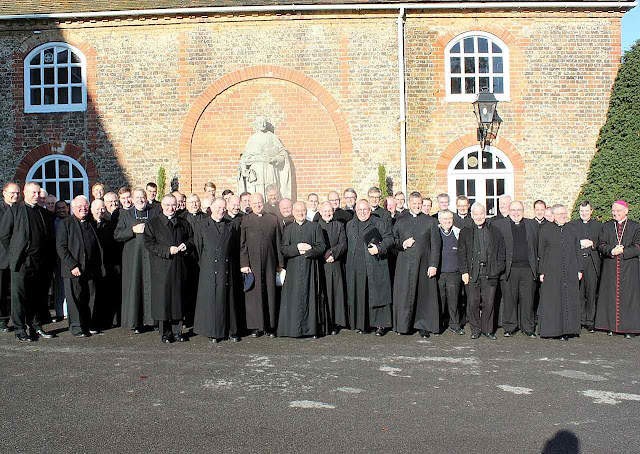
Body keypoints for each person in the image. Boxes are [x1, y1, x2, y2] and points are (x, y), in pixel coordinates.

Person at [0, 182, 56, 341]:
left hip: (40, 262)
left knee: (38, 296)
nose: (36, 195)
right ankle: (19, 329)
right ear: (25, 192)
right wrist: (15, 252)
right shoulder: (14, 210)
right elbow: (4, 235)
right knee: (19, 297)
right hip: (22, 261)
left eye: (38, 193)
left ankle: (37, 326)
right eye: (33, 192)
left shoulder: (42, 212)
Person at [144, 194, 193, 343]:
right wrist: (166, 250)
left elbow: (191, 238)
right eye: (167, 205)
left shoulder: (184, 222)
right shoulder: (152, 223)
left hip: (179, 266)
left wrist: (186, 245)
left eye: (173, 205)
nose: (170, 208)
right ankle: (165, 333)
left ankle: (177, 332)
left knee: (178, 299)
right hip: (162, 267)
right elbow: (149, 243)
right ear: (162, 206)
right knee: (163, 301)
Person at [392, 192, 441, 338]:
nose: (417, 206)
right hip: (404, 264)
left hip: (424, 264)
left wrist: (433, 264)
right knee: (405, 294)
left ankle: (423, 326)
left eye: (419, 203)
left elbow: (436, 245)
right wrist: (402, 244)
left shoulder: (430, 222)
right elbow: (392, 242)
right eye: (414, 203)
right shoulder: (400, 221)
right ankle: (403, 325)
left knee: (424, 296)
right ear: (409, 204)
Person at [193, 198, 241, 343]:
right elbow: (198, 248)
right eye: (219, 208)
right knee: (211, 301)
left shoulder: (230, 225)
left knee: (229, 300)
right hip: (209, 268)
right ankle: (213, 332)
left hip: (226, 268)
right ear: (211, 208)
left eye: (224, 208)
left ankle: (231, 330)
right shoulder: (201, 225)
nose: (222, 211)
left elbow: (233, 248)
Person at [56, 196, 105, 337]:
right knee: (75, 299)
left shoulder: (91, 223)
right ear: (73, 208)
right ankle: (76, 327)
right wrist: (72, 265)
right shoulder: (65, 224)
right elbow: (61, 247)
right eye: (79, 206)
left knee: (90, 297)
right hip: (73, 269)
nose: (83, 208)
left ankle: (89, 325)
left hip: (90, 268)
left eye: (85, 206)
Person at [278, 201, 327, 338]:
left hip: (310, 269)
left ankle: (311, 330)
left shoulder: (315, 227)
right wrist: (297, 248)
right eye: (298, 211)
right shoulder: (288, 229)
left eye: (303, 211)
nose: (300, 213)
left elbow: (321, 246)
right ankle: (293, 330)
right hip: (293, 271)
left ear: (306, 211)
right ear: (293, 212)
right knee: (293, 299)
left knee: (310, 297)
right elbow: (284, 249)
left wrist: (309, 251)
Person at [114, 188, 160, 333]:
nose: (140, 200)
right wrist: (132, 230)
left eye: (142, 197)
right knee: (135, 288)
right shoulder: (126, 214)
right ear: (132, 200)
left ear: (146, 198)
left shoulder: (153, 212)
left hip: (151, 257)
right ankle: (136, 322)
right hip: (133, 258)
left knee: (152, 287)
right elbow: (117, 235)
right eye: (137, 197)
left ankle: (152, 320)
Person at [457, 202, 506, 340]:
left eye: (481, 213)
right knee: (473, 302)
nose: (479, 217)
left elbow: (502, 251)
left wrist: (498, 267)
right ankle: (475, 329)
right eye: (476, 214)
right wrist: (464, 272)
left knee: (489, 303)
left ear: (485, 214)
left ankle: (488, 330)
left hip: (490, 272)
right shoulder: (465, 231)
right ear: (472, 215)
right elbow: (461, 253)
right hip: (472, 273)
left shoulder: (494, 230)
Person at [345, 199, 394, 336]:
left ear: (370, 210)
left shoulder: (379, 223)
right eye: (359, 210)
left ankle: (380, 325)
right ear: (356, 211)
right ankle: (363, 324)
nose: (362, 212)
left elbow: (390, 239)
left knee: (378, 295)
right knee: (361, 295)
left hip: (375, 265)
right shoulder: (350, 225)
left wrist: (379, 248)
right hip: (356, 267)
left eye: (365, 209)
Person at [240, 193, 284, 338]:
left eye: (260, 202)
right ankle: (256, 327)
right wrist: (244, 263)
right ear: (250, 205)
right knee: (254, 294)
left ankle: (271, 326)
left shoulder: (272, 219)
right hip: (252, 262)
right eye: (255, 203)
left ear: (263, 203)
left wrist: (280, 263)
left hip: (270, 262)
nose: (258, 205)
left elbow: (278, 242)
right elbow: (243, 244)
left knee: (270, 293)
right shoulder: (245, 220)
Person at [493, 201, 539, 338]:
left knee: (528, 300)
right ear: (509, 210)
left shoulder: (532, 225)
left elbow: (538, 246)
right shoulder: (500, 225)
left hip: (528, 269)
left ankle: (528, 328)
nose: (516, 212)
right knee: (509, 299)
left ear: (523, 211)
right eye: (513, 209)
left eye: (519, 209)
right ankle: (509, 327)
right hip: (509, 269)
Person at [595, 200, 640, 339]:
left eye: (618, 211)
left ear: (626, 211)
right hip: (611, 267)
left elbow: (638, 246)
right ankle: (609, 326)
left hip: (629, 268)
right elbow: (600, 244)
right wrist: (611, 251)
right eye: (613, 211)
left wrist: (624, 251)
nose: (615, 213)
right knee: (610, 296)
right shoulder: (606, 226)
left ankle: (629, 328)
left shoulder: (635, 226)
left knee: (629, 298)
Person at [537, 204, 582, 341]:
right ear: (554, 215)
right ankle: (552, 331)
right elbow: (541, 253)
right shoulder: (545, 229)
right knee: (553, 301)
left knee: (569, 299)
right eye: (560, 214)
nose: (563, 216)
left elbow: (577, 250)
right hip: (551, 271)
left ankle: (568, 330)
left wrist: (580, 269)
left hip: (570, 269)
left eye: (564, 213)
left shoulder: (572, 229)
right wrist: (541, 271)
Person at [237, 116, 293, 199]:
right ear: (256, 124)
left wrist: (276, 159)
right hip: (256, 170)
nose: (263, 124)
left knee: (271, 190)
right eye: (260, 122)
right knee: (257, 192)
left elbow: (283, 152)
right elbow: (244, 157)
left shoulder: (272, 137)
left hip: (269, 168)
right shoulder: (252, 139)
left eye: (264, 122)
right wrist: (245, 170)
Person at [570, 201, 601, 332]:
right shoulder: (573, 225)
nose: (584, 213)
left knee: (591, 292)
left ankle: (590, 321)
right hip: (578, 262)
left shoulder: (599, 226)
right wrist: (579, 243)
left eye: (586, 211)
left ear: (591, 211)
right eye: (582, 211)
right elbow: (569, 241)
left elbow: (603, 241)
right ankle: (580, 320)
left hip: (592, 262)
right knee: (579, 292)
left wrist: (592, 243)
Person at [317, 201, 348, 333]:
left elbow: (343, 244)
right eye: (325, 211)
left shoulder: (339, 225)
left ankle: (335, 323)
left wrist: (332, 253)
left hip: (335, 263)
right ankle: (324, 323)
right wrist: (324, 254)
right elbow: (315, 244)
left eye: (330, 211)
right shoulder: (316, 226)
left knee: (335, 294)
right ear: (320, 212)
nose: (328, 213)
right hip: (321, 264)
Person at [92, 199, 121, 329]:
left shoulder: (109, 225)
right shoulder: (88, 225)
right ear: (92, 210)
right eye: (97, 209)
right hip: (93, 265)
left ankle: (108, 320)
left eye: (102, 209)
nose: (100, 211)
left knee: (108, 295)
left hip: (109, 264)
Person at [179, 193, 207, 328]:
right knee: (187, 289)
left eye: (196, 202)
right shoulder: (181, 218)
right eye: (191, 202)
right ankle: (188, 317)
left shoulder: (206, 217)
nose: (195, 204)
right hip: (187, 258)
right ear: (186, 204)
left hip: (203, 258)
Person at [436, 210, 464, 335]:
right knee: (439, 300)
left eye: (450, 219)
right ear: (439, 220)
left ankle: (455, 324)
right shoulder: (435, 232)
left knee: (454, 301)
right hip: (440, 273)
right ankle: (439, 324)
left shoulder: (458, 232)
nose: (447, 221)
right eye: (445, 219)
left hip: (454, 273)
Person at [0, 183, 19, 332]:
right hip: (1, 257)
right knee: (1, 291)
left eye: (18, 193)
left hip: (18, 259)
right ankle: (1, 322)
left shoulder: (20, 210)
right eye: (12, 193)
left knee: (17, 292)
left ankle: (18, 320)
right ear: (4, 193)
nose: (15, 195)